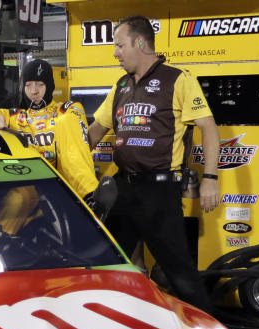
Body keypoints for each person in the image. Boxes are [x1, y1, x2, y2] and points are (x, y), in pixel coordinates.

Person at [85, 15, 219, 312]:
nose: (115, 52)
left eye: (120, 45)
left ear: (141, 43)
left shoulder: (178, 79)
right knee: (106, 261)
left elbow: (208, 127)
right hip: (122, 188)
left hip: (158, 191)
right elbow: (96, 129)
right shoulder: (121, 85)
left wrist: (210, 177)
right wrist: (67, 157)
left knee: (180, 275)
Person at [0, 59, 98, 201]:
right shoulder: (15, 116)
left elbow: (75, 143)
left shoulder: (67, 110)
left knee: (67, 121)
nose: (34, 91)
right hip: (27, 189)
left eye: (40, 85)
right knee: (16, 200)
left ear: (50, 85)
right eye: (28, 85)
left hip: (63, 187)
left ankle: (89, 196)